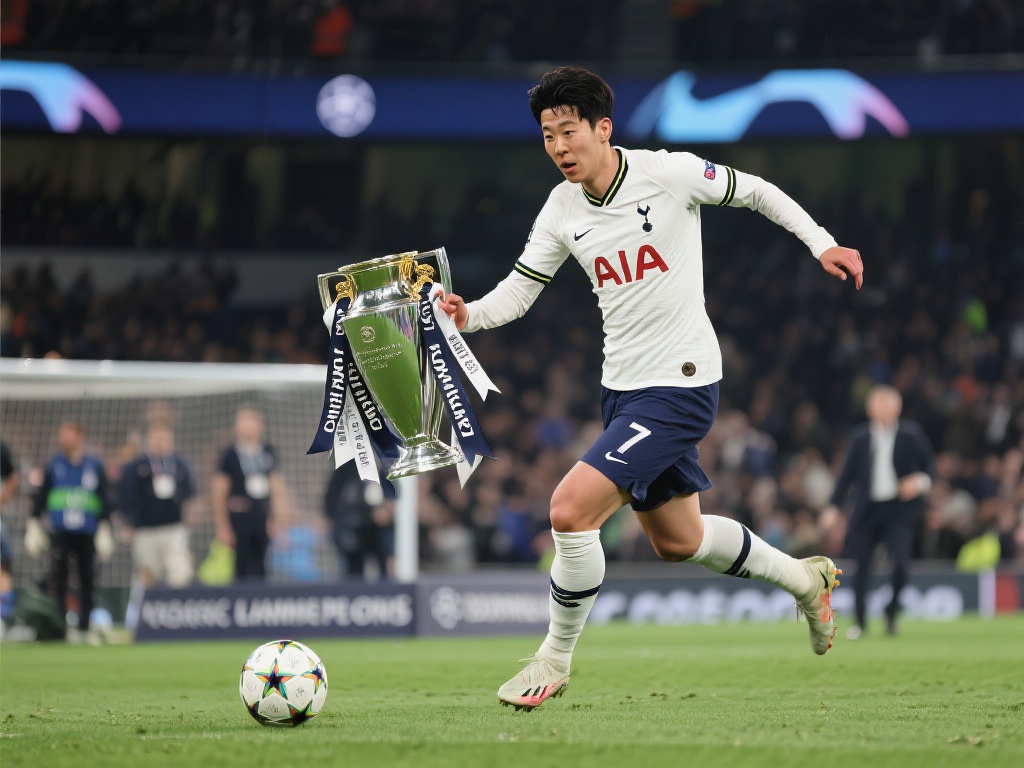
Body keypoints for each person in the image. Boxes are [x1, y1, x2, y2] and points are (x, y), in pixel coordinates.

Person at [436, 66, 864, 710]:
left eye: (569, 131)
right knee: (679, 541)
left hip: (682, 383)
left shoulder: (668, 174)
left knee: (568, 510)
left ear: (603, 128)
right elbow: (519, 293)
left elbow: (756, 191)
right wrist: (468, 314)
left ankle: (553, 659)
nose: (559, 146)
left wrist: (822, 244)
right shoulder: (561, 208)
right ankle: (806, 581)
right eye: (548, 135)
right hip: (622, 391)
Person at [822, 385, 935, 639]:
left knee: (901, 564)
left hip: (898, 511)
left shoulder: (911, 435)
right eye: (878, 404)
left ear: (898, 408)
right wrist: (833, 507)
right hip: (867, 511)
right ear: (870, 409)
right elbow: (846, 476)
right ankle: (860, 622)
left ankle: (891, 613)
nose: (883, 410)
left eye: (888, 404)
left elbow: (930, 465)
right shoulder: (860, 438)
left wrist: (919, 482)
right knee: (862, 568)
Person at [25, 421, 114, 642]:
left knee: (88, 577)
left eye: (68, 434)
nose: (63, 439)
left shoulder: (94, 465)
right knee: (59, 577)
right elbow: (42, 495)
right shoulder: (54, 464)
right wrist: (33, 522)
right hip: (61, 531)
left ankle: (85, 626)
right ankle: (60, 626)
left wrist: (105, 526)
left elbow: (104, 497)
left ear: (80, 436)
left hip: (87, 531)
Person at [119, 421, 196, 588]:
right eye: (156, 438)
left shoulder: (180, 465)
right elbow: (125, 497)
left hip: (174, 528)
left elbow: (190, 495)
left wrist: (188, 521)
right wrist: (128, 524)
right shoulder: (137, 466)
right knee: (147, 575)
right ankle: (147, 603)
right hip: (145, 530)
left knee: (180, 573)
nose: (160, 442)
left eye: (164, 438)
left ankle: (178, 603)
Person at [212, 407, 284, 581]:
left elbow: (277, 487)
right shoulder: (229, 455)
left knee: (262, 567)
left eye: (253, 422)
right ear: (237, 427)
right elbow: (219, 492)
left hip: (262, 516)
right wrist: (222, 526)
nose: (249, 426)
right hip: (239, 517)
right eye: (245, 422)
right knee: (240, 567)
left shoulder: (268, 452)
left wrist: (278, 519)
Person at [324, 461, 394, 579]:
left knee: (387, 568)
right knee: (354, 571)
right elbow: (333, 496)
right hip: (354, 526)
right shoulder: (348, 467)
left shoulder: (389, 462)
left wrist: (389, 510)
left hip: (383, 528)